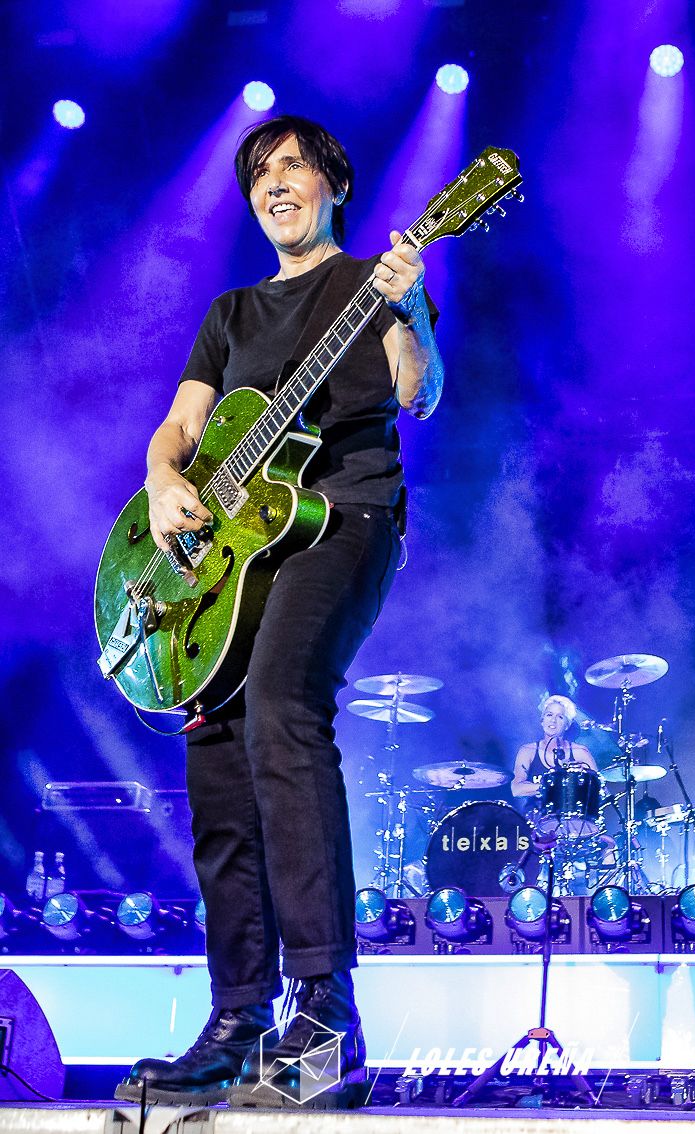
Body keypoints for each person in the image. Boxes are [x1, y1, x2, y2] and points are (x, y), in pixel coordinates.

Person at [116, 114, 443, 1110]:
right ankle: (236, 1021)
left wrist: (411, 311)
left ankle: (326, 1016)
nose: (274, 183)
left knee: (282, 707)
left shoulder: (371, 282)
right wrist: (164, 483)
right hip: (236, 553)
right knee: (216, 745)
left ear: (332, 183)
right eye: (259, 173)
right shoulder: (231, 312)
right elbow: (180, 427)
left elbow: (418, 393)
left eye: (292, 166)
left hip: (342, 518)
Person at [511, 695, 597, 804]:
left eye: (560, 717)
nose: (553, 720)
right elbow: (516, 789)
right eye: (549, 715)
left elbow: (598, 790)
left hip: (572, 813)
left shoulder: (580, 752)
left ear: (567, 725)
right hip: (536, 813)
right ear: (542, 721)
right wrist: (553, 786)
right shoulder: (527, 751)